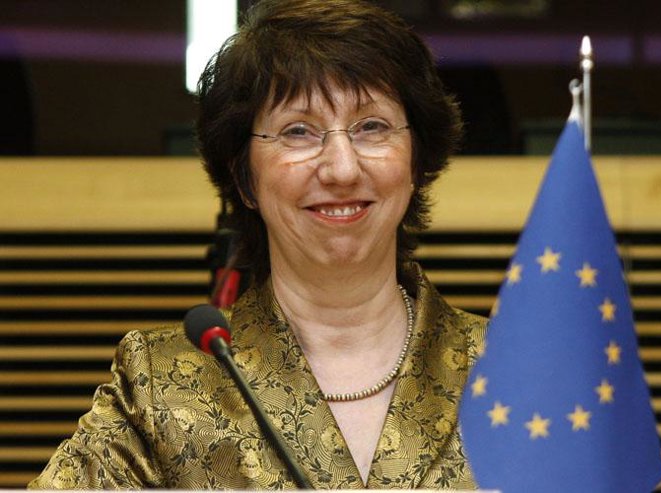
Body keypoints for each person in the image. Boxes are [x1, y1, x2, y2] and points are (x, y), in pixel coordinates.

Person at [29, 0, 486, 489]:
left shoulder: (515, 367)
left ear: (416, 161)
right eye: (298, 131)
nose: (342, 169)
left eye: (371, 127)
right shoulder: (161, 383)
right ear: (244, 179)